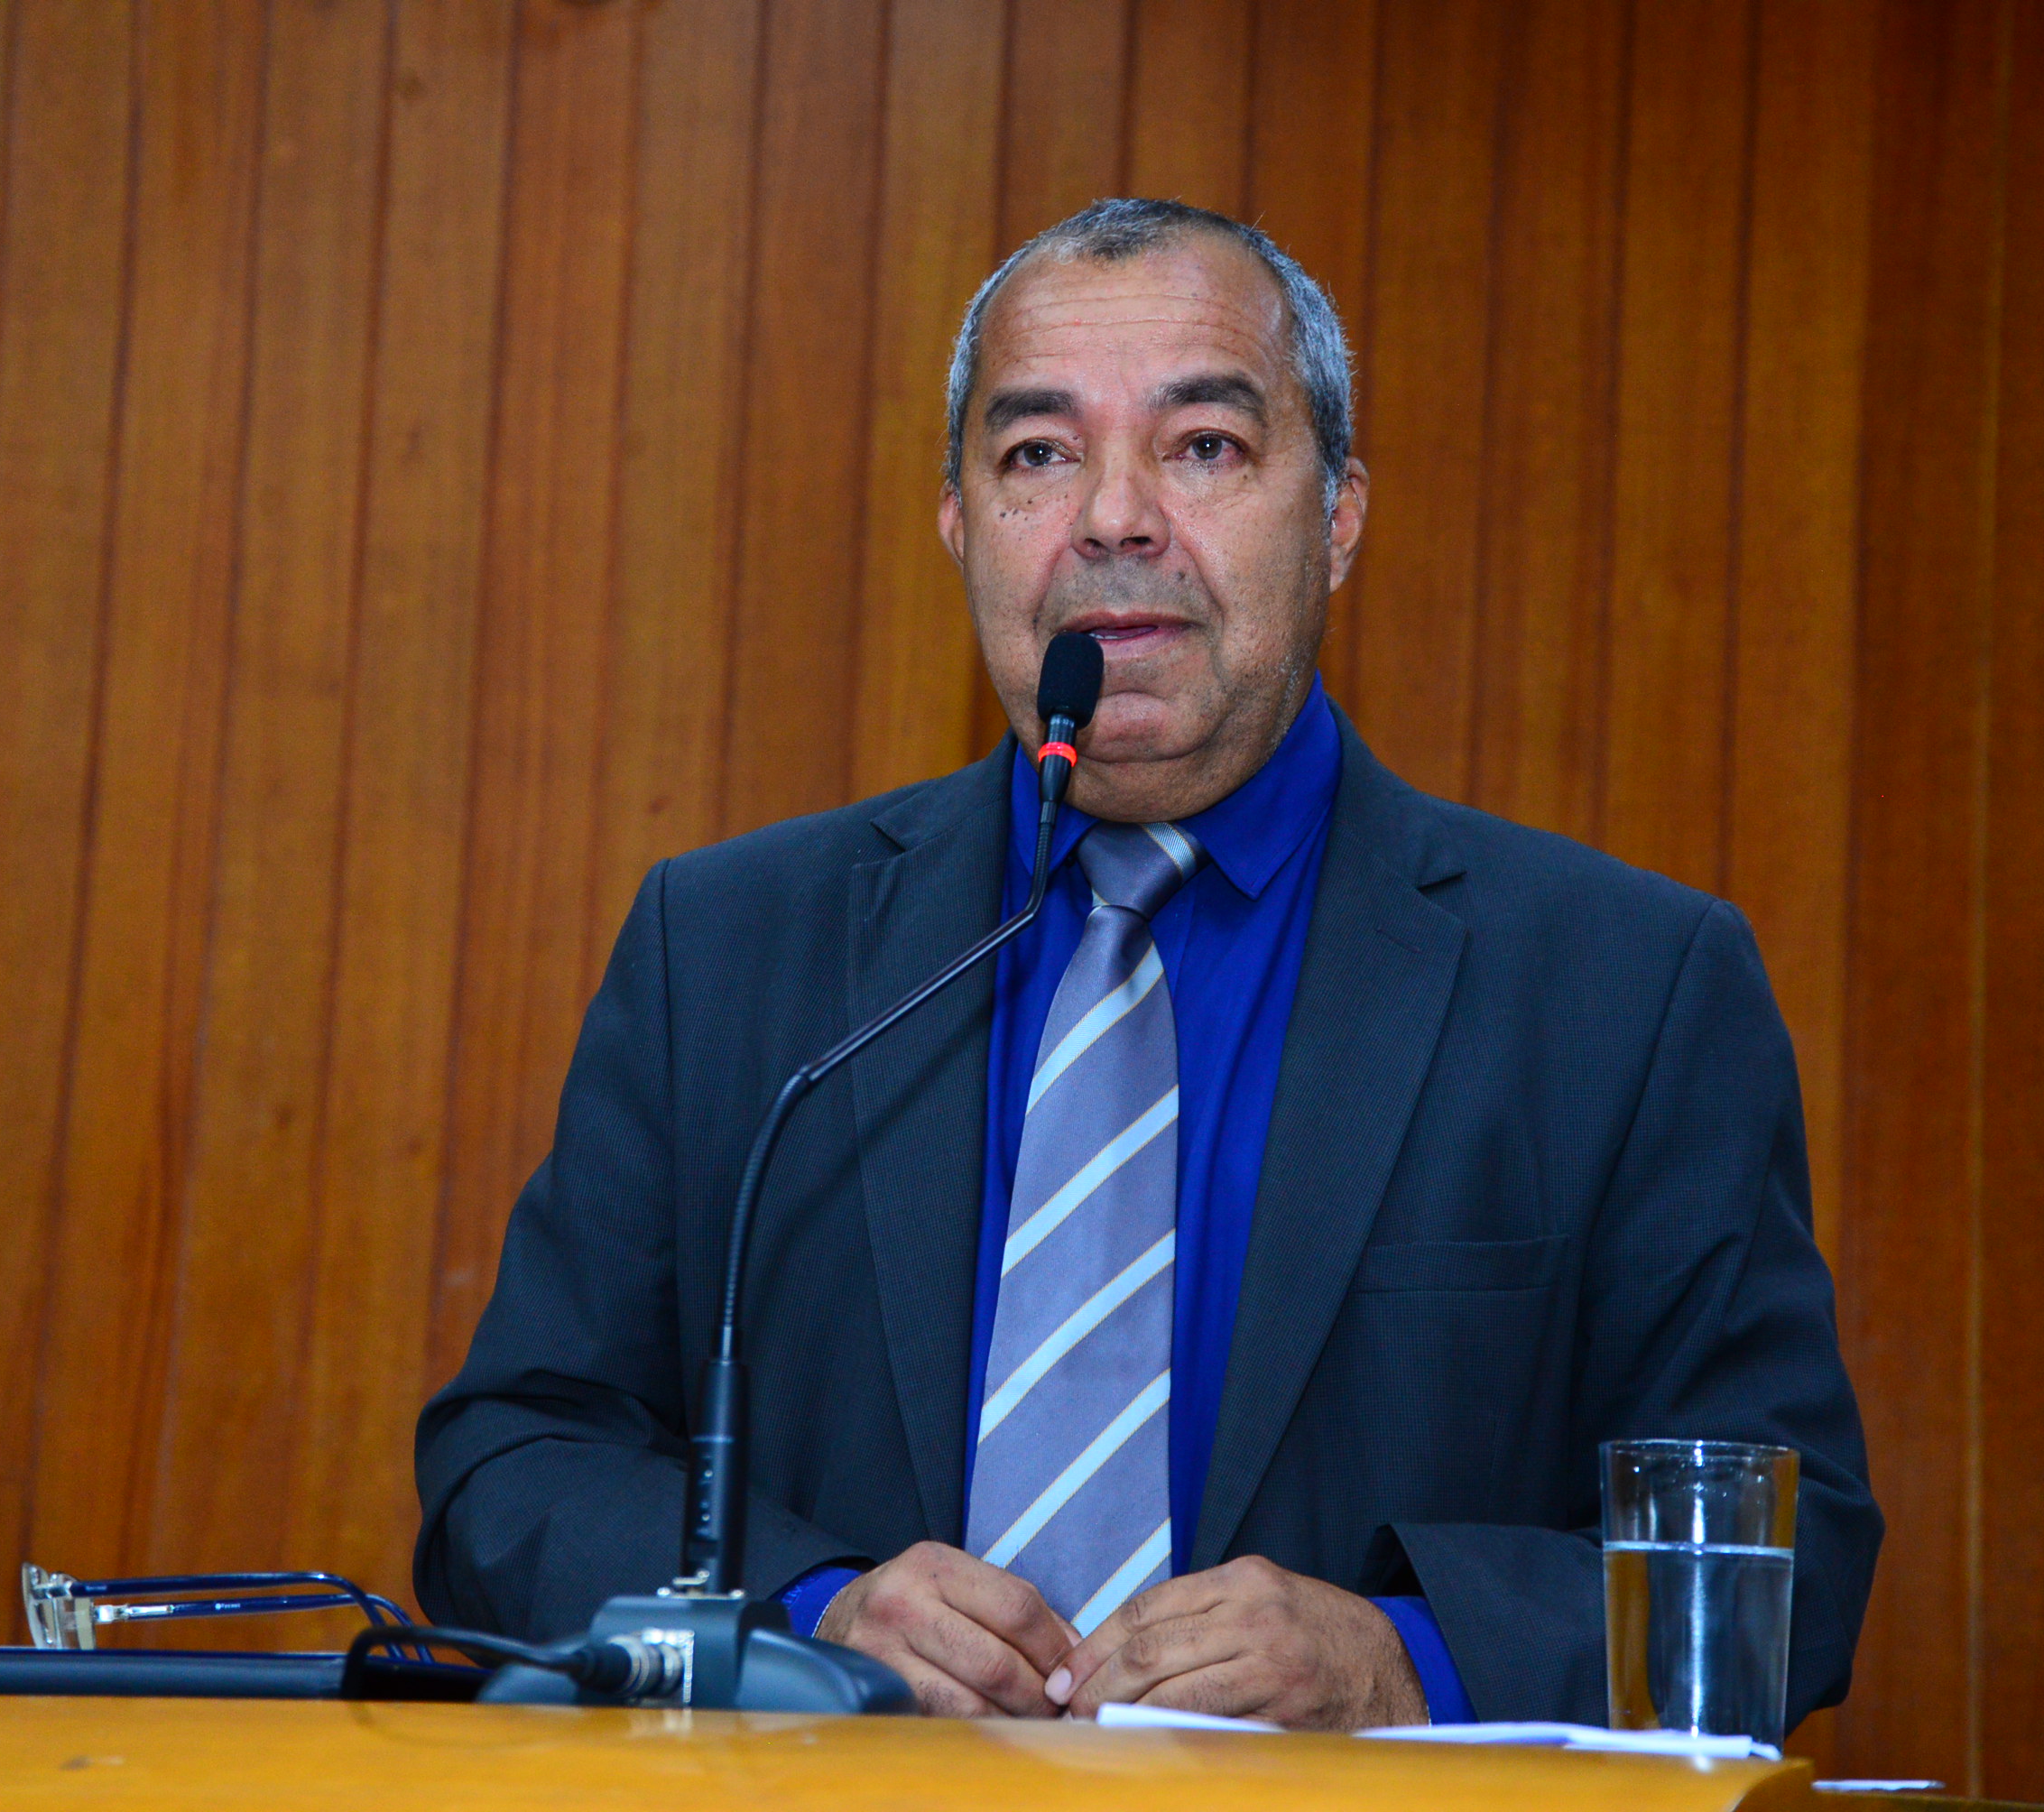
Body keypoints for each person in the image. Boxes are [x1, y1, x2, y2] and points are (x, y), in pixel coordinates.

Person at [414, 198, 1880, 1731]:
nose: (1114, 517)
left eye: (1205, 447)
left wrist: (1405, 1661)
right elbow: (509, 1467)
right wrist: (806, 1618)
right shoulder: (725, 953)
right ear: (960, 523)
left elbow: (1793, 1550)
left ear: (1339, 518)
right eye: (1039, 454)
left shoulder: (1624, 989)